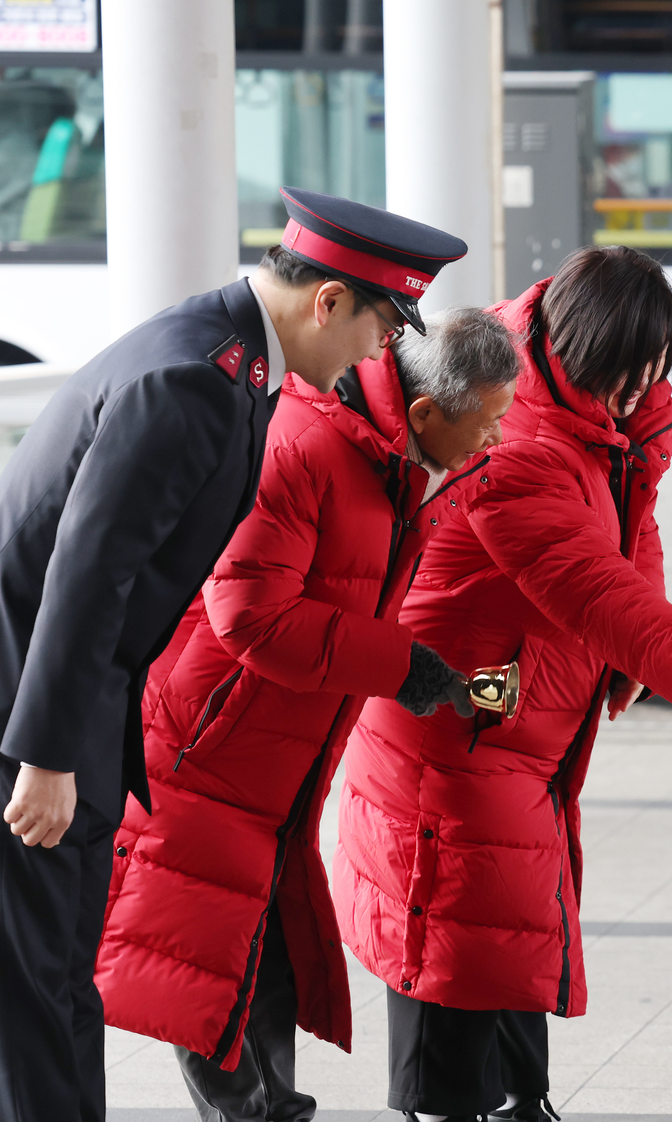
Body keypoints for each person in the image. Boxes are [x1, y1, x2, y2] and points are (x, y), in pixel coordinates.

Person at [0, 185, 466, 1122]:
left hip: (63, 694)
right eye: (383, 330)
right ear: (328, 301)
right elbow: (89, 574)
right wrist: (48, 756)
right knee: (34, 989)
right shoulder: (191, 378)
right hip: (15, 701)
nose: (377, 355)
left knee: (61, 978)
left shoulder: (230, 359)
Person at [332, 245, 672, 1122]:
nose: (638, 392)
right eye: (625, 374)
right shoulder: (513, 439)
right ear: (579, 347)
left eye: (653, 372)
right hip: (461, 713)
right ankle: (449, 1106)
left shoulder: (593, 409)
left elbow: (632, 532)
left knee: (507, 915)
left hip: (517, 711)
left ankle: (518, 1100)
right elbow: (591, 584)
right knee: (453, 923)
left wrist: (628, 661)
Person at [97, 304, 518, 1122]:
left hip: (269, 755)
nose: (495, 438)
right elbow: (250, 616)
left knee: (257, 969)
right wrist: (405, 667)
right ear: (425, 412)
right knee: (209, 974)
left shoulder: (388, 455)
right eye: (487, 422)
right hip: (207, 748)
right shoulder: (308, 444)